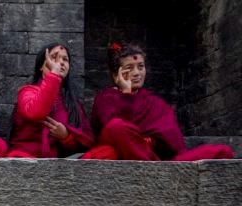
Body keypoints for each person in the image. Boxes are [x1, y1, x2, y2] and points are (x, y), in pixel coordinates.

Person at [86, 42, 234, 161]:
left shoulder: (153, 101)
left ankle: (157, 172)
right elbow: (116, 133)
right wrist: (126, 94)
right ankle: (155, 174)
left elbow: (173, 142)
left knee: (223, 151)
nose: (137, 73)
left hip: (155, 159)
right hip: (124, 154)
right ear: (115, 74)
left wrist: (151, 142)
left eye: (141, 67)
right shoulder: (106, 98)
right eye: (129, 68)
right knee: (116, 127)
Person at [7, 42, 96, 159]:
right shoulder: (27, 92)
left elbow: (87, 141)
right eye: (54, 57)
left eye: (65, 59)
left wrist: (66, 137)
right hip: (26, 157)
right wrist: (54, 75)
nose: (61, 62)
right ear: (41, 66)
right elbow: (36, 112)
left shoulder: (72, 103)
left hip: (59, 161)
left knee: (106, 152)